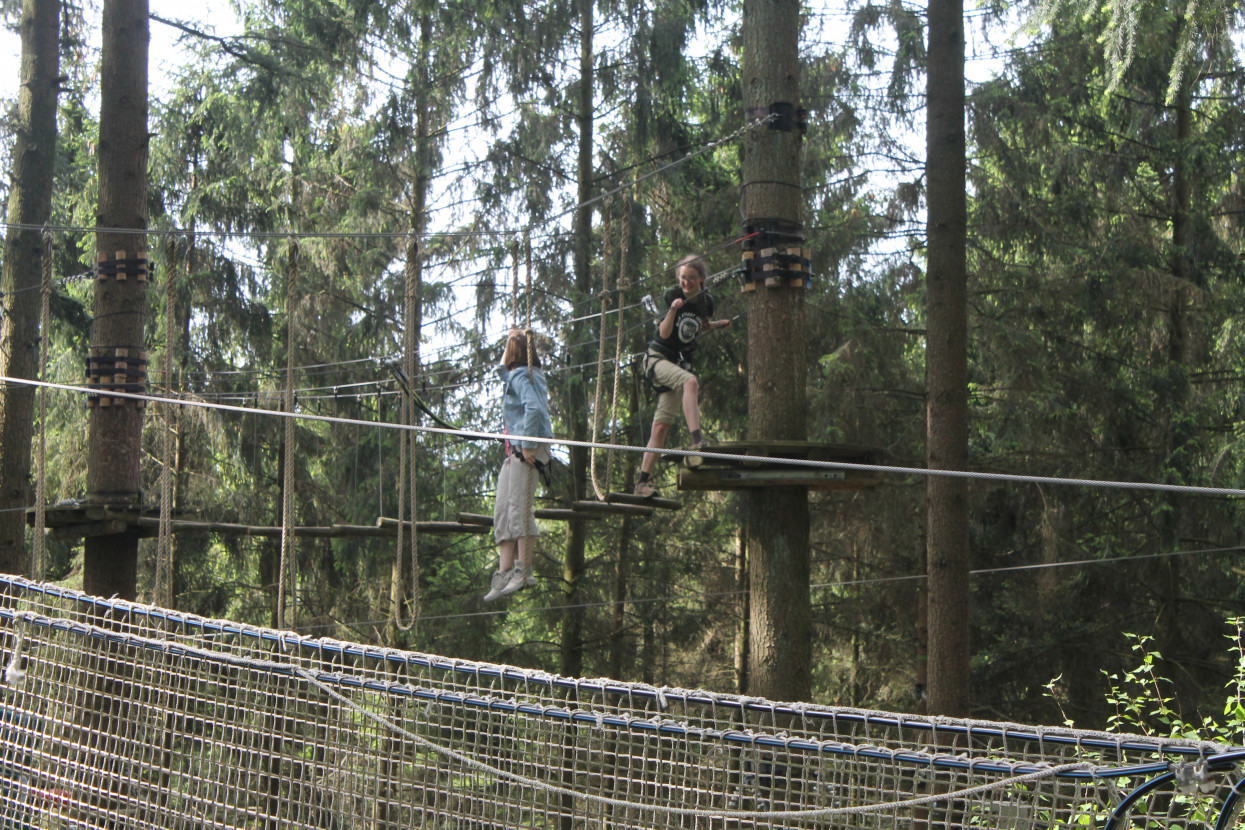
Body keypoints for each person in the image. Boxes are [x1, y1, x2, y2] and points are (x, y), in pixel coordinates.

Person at [634, 255, 731, 498]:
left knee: (660, 426)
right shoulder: (672, 295)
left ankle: (642, 483)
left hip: (678, 365)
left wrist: (719, 324)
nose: (685, 282)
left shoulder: (706, 303)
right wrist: (672, 310)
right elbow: (664, 333)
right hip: (657, 359)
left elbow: (701, 326)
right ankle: (697, 441)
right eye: (682, 278)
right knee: (690, 382)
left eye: (690, 278)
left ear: (701, 279)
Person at [485, 327, 553, 602]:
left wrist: (526, 445)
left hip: (528, 449)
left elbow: (533, 408)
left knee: (519, 508)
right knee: (503, 509)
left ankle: (524, 571)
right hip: (516, 451)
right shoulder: (521, 374)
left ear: (514, 353)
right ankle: (504, 574)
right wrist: (514, 339)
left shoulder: (522, 377)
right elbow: (501, 371)